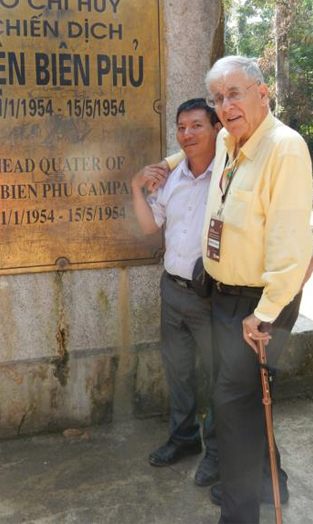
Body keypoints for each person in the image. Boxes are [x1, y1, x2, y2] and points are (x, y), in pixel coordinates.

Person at [167, 56, 313, 524]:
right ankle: (272, 487)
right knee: (242, 406)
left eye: (234, 93)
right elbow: (195, 148)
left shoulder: (284, 149)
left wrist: (265, 312)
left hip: (256, 308)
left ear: (262, 93)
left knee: (233, 411)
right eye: (218, 98)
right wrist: (165, 163)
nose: (225, 106)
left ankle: (239, 514)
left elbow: (291, 249)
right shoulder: (231, 140)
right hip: (223, 295)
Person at [131, 98, 221, 487]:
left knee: (218, 377)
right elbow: (151, 226)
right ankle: (184, 439)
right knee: (179, 372)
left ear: (217, 128)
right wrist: (136, 186)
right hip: (173, 290)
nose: (187, 134)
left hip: (212, 296)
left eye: (197, 126)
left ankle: (217, 454)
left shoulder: (229, 175)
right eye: (182, 127)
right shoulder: (172, 178)